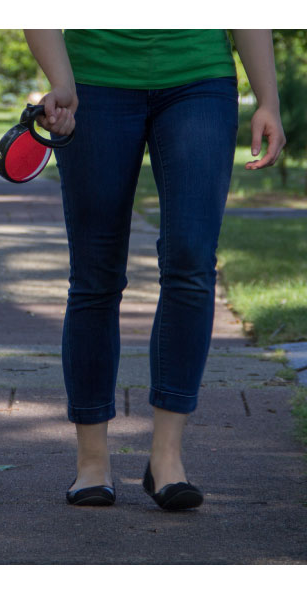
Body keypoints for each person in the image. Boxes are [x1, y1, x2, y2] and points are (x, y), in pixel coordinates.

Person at [23, 29, 286, 510]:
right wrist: (62, 82)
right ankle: (92, 462)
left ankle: (166, 458)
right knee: (95, 274)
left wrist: (267, 98)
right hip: (93, 82)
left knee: (190, 260)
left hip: (199, 79)